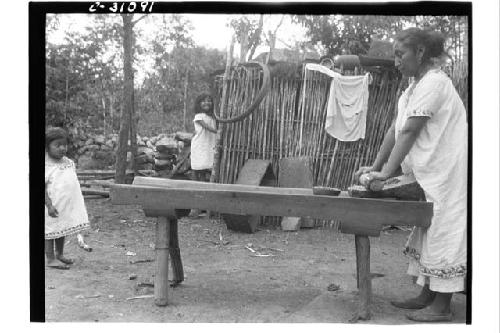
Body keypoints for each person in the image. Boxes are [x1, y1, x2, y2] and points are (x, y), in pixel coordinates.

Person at [354, 28, 467, 322]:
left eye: (400, 54)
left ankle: (442, 307)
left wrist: (386, 175)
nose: (396, 62)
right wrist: (376, 167)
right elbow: (395, 130)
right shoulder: (411, 89)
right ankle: (426, 295)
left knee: (445, 230)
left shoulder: (435, 83)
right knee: (428, 229)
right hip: (430, 172)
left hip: (448, 171)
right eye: (394, 55)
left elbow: (411, 131)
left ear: (420, 53)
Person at [45, 127, 90, 269]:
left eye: (64, 145)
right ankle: (51, 258)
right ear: (47, 147)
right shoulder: (46, 165)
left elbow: (71, 182)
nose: (62, 148)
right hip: (51, 206)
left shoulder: (69, 162)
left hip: (63, 205)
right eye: (57, 145)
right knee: (50, 231)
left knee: (61, 229)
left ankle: (59, 254)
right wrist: (49, 205)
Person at [189, 93, 218, 217]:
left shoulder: (213, 117)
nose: (207, 103)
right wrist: (220, 131)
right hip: (200, 147)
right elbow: (206, 127)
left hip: (209, 146)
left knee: (207, 174)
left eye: (209, 101)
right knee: (198, 174)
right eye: (203, 101)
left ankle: (204, 207)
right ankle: (196, 208)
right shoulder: (199, 116)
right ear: (199, 104)